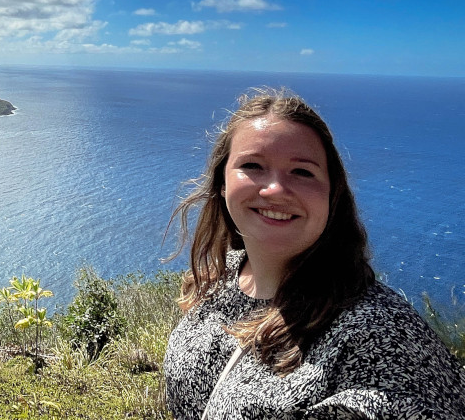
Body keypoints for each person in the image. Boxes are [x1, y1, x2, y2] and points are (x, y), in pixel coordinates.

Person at [163, 88, 465, 420]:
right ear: (222, 184)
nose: (275, 189)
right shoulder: (219, 278)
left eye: (302, 172)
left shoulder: (381, 333)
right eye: (252, 165)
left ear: (332, 194)